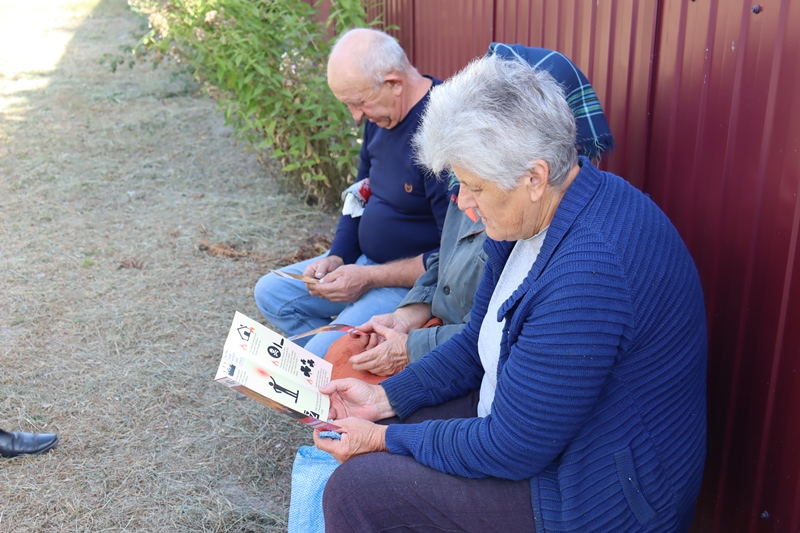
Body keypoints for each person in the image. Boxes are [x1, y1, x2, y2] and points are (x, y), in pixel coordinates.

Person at [313, 55, 708, 532]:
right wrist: (385, 400)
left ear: (535, 177)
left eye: (475, 186)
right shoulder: (527, 219)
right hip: (552, 432)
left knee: (358, 491)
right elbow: (477, 344)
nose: (462, 202)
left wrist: (381, 441)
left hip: (594, 495)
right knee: (392, 429)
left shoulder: (589, 275)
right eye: (459, 183)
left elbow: (513, 448)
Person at [330, 43, 616, 379]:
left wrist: (409, 351)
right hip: (436, 328)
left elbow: (491, 340)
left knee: (342, 370)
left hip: (462, 362)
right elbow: (446, 260)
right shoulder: (474, 178)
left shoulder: (536, 225)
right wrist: (409, 314)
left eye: (475, 187)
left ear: (536, 169)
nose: (462, 198)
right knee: (340, 356)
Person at [254, 28, 450, 357]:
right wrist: (337, 255)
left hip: (409, 286)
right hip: (362, 265)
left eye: (359, 103)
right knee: (271, 293)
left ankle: (340, 363)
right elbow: (358, 194)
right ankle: (344, 360)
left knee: (318, 356)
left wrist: (369, 277)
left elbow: (451, 260)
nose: (356, 117)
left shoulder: (441, 134)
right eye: (348, 105)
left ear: (394, 83)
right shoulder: (383, 116)